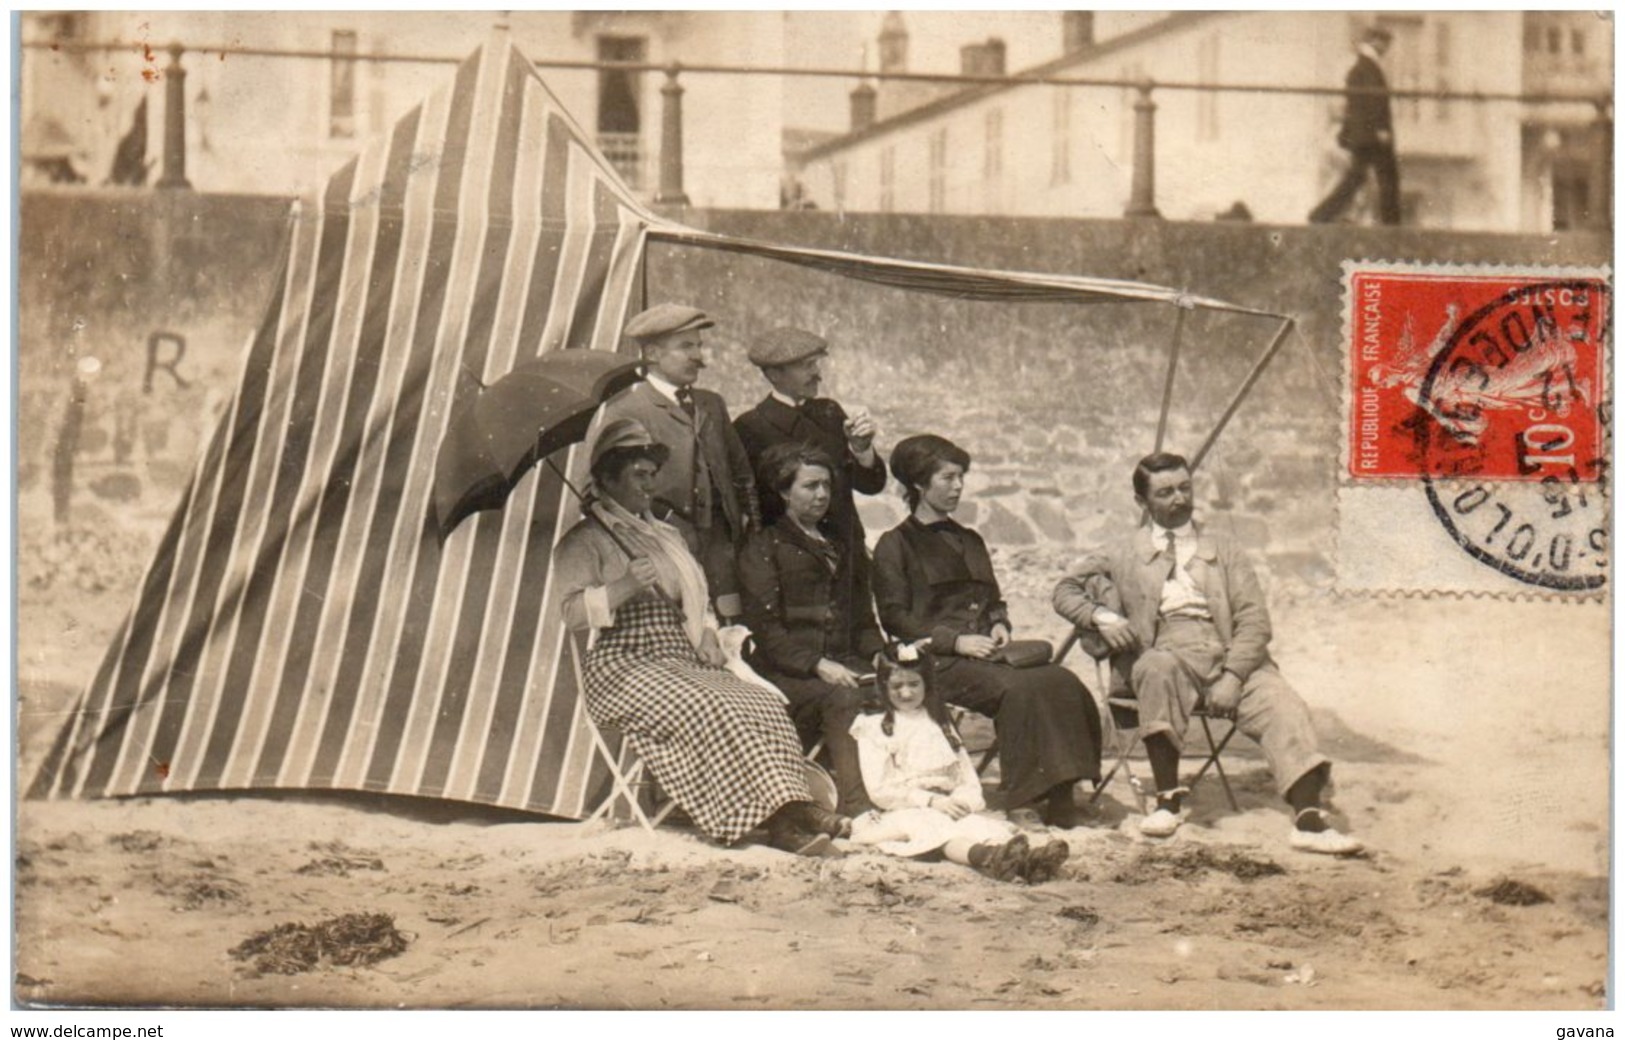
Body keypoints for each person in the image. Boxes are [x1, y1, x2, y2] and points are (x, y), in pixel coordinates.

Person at [553, 418, 848, 857]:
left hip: (679, 656)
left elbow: (699, 596)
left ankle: (793, 809)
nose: (649, 485)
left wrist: (708, 630)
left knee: (758, 698)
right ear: (608, 478)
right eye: (638, 475)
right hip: (623, 666)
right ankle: (779, 821)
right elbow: (572, 614)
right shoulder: (584, 541)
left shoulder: (664, 535)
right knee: (711, 704)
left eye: (651, 475)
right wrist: (623, 587)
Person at [1051, 452, 1363, 855]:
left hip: (1231, 653)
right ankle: (1167, 800)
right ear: (1142, 501)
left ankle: (1309, 820)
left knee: (1283, 704)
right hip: (1165, 651)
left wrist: (1233, 676)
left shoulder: (1224, 548)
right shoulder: (1122, 551)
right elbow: (1064, 591)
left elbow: (1255, 619)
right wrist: (1103, 617)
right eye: (1165, 493)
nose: (1179, 499)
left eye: (1185, 488)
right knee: (1156, 668)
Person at [871, 434, 1102, 828]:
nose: (958, 486)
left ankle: (1062, 791)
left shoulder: (971, 540)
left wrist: (998, 624)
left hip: (989, 654)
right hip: (935, 660)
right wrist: (956, 641)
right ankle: (1024, 796)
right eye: (947, 478)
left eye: (961, 477)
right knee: (1019, 690)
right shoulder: (895, 545)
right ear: (918, 485)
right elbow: (894, 617)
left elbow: (993, 599)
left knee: (1062, 680)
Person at [738, 443, 885, 816]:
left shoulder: (839, 544)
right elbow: (767, 632)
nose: (821, 495)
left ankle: (909, 791)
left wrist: (880, 654)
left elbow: (861, 617)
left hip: (844, 660)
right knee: (842, 697)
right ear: (785, 491)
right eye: (810, 486)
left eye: (826, 486)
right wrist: (817, 664)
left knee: (909, 682)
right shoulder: (764, 546)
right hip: (787, 672)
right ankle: (857, 803)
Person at [848, 642, 1071, 884]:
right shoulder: (874, 726)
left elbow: (963, 772)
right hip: (905, 809)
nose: (906, 693)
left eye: (914, 684)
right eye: (897, 686)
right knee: (935, 828)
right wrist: (931, 801)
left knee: (979, 827)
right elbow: (880, 789)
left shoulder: (938, 720)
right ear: (883, 686)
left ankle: (1028, 863)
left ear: (927, 684)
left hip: (950, 802)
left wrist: (963, 799)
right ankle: (988, 858)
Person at [602, 303, 758, 622]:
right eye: (686, 346)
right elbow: (601, 490)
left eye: (699, 345)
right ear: (654, 354)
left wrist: (749, 531)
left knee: (732, 632)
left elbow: (743, 476)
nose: (698, 356)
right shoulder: (627, 409)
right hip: (664, 549)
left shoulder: (711, 404)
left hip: (723, 550)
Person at [733, 327, 887, 570]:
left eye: (816, 364)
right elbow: (748, 506)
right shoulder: (750, 426)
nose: (818, 374)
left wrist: (862, 449)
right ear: (774, 374)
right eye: (807, 366)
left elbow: (871, 485)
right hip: (791, 560)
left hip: (847, 552)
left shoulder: (830, 412)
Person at [1309, 26, 1400, 226]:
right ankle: (1392, 224)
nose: (1387, 48)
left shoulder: (1361, 66)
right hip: (1373, 135)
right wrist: (1381, 129)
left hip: (1363, 134)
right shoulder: (1368, 67)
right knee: (1387, 177)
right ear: (1375, 41)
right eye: (1385, 42)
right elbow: (1374, 101)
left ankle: (1320, 215)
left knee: (1357, 178)